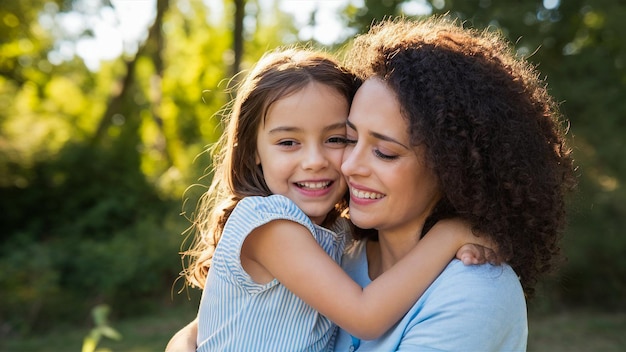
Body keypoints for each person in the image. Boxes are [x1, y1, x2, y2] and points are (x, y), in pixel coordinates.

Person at [174, 47, 493, 352]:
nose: (314, 160)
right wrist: (451, 234)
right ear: (254, 150)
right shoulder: (267, 223)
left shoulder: (337, 233)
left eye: (336, 139)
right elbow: (365, 318)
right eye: (288, 142)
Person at [329, 16, 577, 350]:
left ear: (452, 169)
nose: (350, 164)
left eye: (385, 152)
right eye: (348, 138)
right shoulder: (331, 255)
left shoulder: (477, 288)